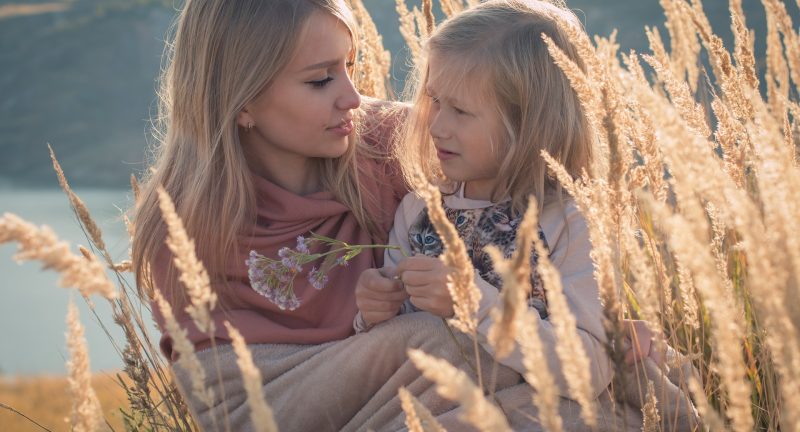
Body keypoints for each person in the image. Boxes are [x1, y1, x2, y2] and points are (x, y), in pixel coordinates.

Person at [354, 1, 699, 430]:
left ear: (529, 123)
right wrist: (373, 311)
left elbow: (590, 368)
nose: (437, 125)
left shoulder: (568, 223)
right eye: (434, 101)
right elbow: (400, 344)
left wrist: (473, 300)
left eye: (461, 111)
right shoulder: (421, 211)